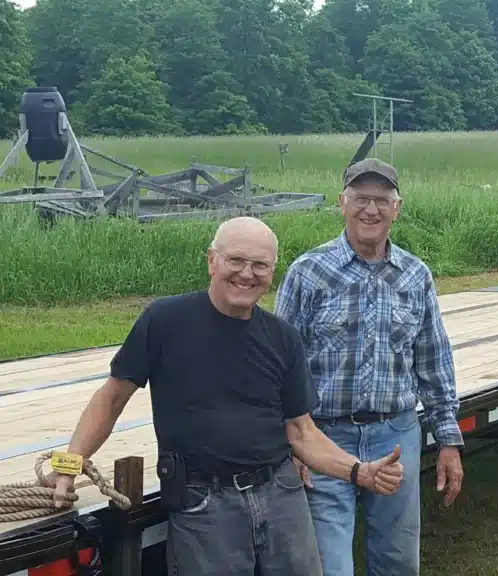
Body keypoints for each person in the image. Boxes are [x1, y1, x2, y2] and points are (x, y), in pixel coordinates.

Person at [47, 216, 405, 576]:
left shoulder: (283, 338)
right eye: (236, 260)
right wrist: (69, 464)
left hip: (282, 496)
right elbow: (110, 399)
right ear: (212, 261)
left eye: (260, 265)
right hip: (204, 504)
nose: (247, 274)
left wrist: (358, 472)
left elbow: (302, 432)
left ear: (272, 271)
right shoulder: (164, 321)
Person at [275, 158, 464, 576]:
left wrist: (448, 442)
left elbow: (433, 361)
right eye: (362, 198)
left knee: (397, 561)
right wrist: (290, 442)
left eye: (382, 200)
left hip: (395, 435)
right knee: (328, 565)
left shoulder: (416, 276)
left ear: (397, 208)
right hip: (324, 435)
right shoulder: (308, 272)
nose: (371, 210)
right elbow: (279, 368)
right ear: (342, 203)